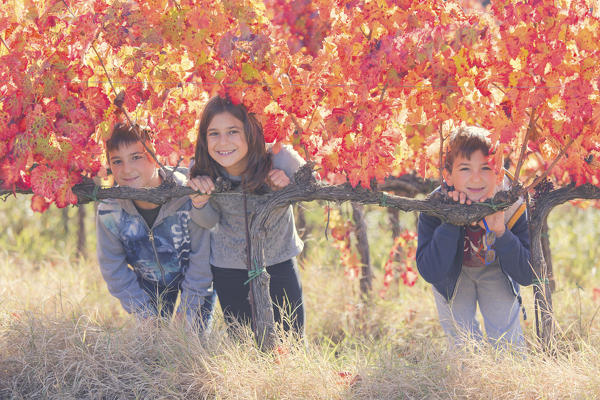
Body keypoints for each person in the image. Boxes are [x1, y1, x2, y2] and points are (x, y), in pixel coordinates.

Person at [188, 96, 305, 336]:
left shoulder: (280, 157)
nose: (223, 142)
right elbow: (209, 222)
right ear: (204, 138)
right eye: (214, 134)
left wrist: (289, 187)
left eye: (232, 131)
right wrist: (199, 203)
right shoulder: (201, 168)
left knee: (291, 342)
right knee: (243, 346)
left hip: (278, 262)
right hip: (228, 267)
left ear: (250, 131)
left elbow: (314, 188)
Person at [416, 126, 533, 348]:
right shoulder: (435, 206)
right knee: (463, 345)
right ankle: (469, 377)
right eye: (465, 168)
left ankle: (509, 379)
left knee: (508, 344)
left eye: (486, 168)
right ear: (448, 175)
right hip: (452, 276)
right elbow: (431, 271)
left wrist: (502, 233)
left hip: (497, 270)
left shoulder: (511, 204)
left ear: (498, 171)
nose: (476, 178)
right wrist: (451, 221)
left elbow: (528, 275)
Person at [96, 123, 215, 328]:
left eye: (136, 157)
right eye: (117, 161)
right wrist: (142, 311)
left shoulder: (188, 195)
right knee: (153, 347)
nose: (126, 169)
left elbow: (203, 258)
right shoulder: (110, 211)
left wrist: (187, 311)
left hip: (196, 281)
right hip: (149, 282)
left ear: (156, 155)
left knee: (190, 343)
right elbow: (112, 266)